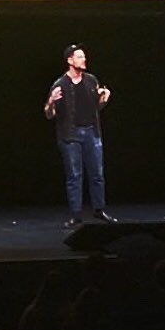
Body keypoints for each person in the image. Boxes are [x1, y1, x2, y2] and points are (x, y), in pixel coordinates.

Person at [43, 44, 116, 228]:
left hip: (92, 132)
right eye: (80, 57)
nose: (84, 59)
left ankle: (99, 210)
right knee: (75, 176)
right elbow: (49, 114)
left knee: (97, 174)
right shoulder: (60, 84)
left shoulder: (91, 80)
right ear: (70, 61)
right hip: (71, 135)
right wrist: (51, 102)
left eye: (84, 56)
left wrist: (103, 99)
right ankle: (76, 215)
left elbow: (95, 108)